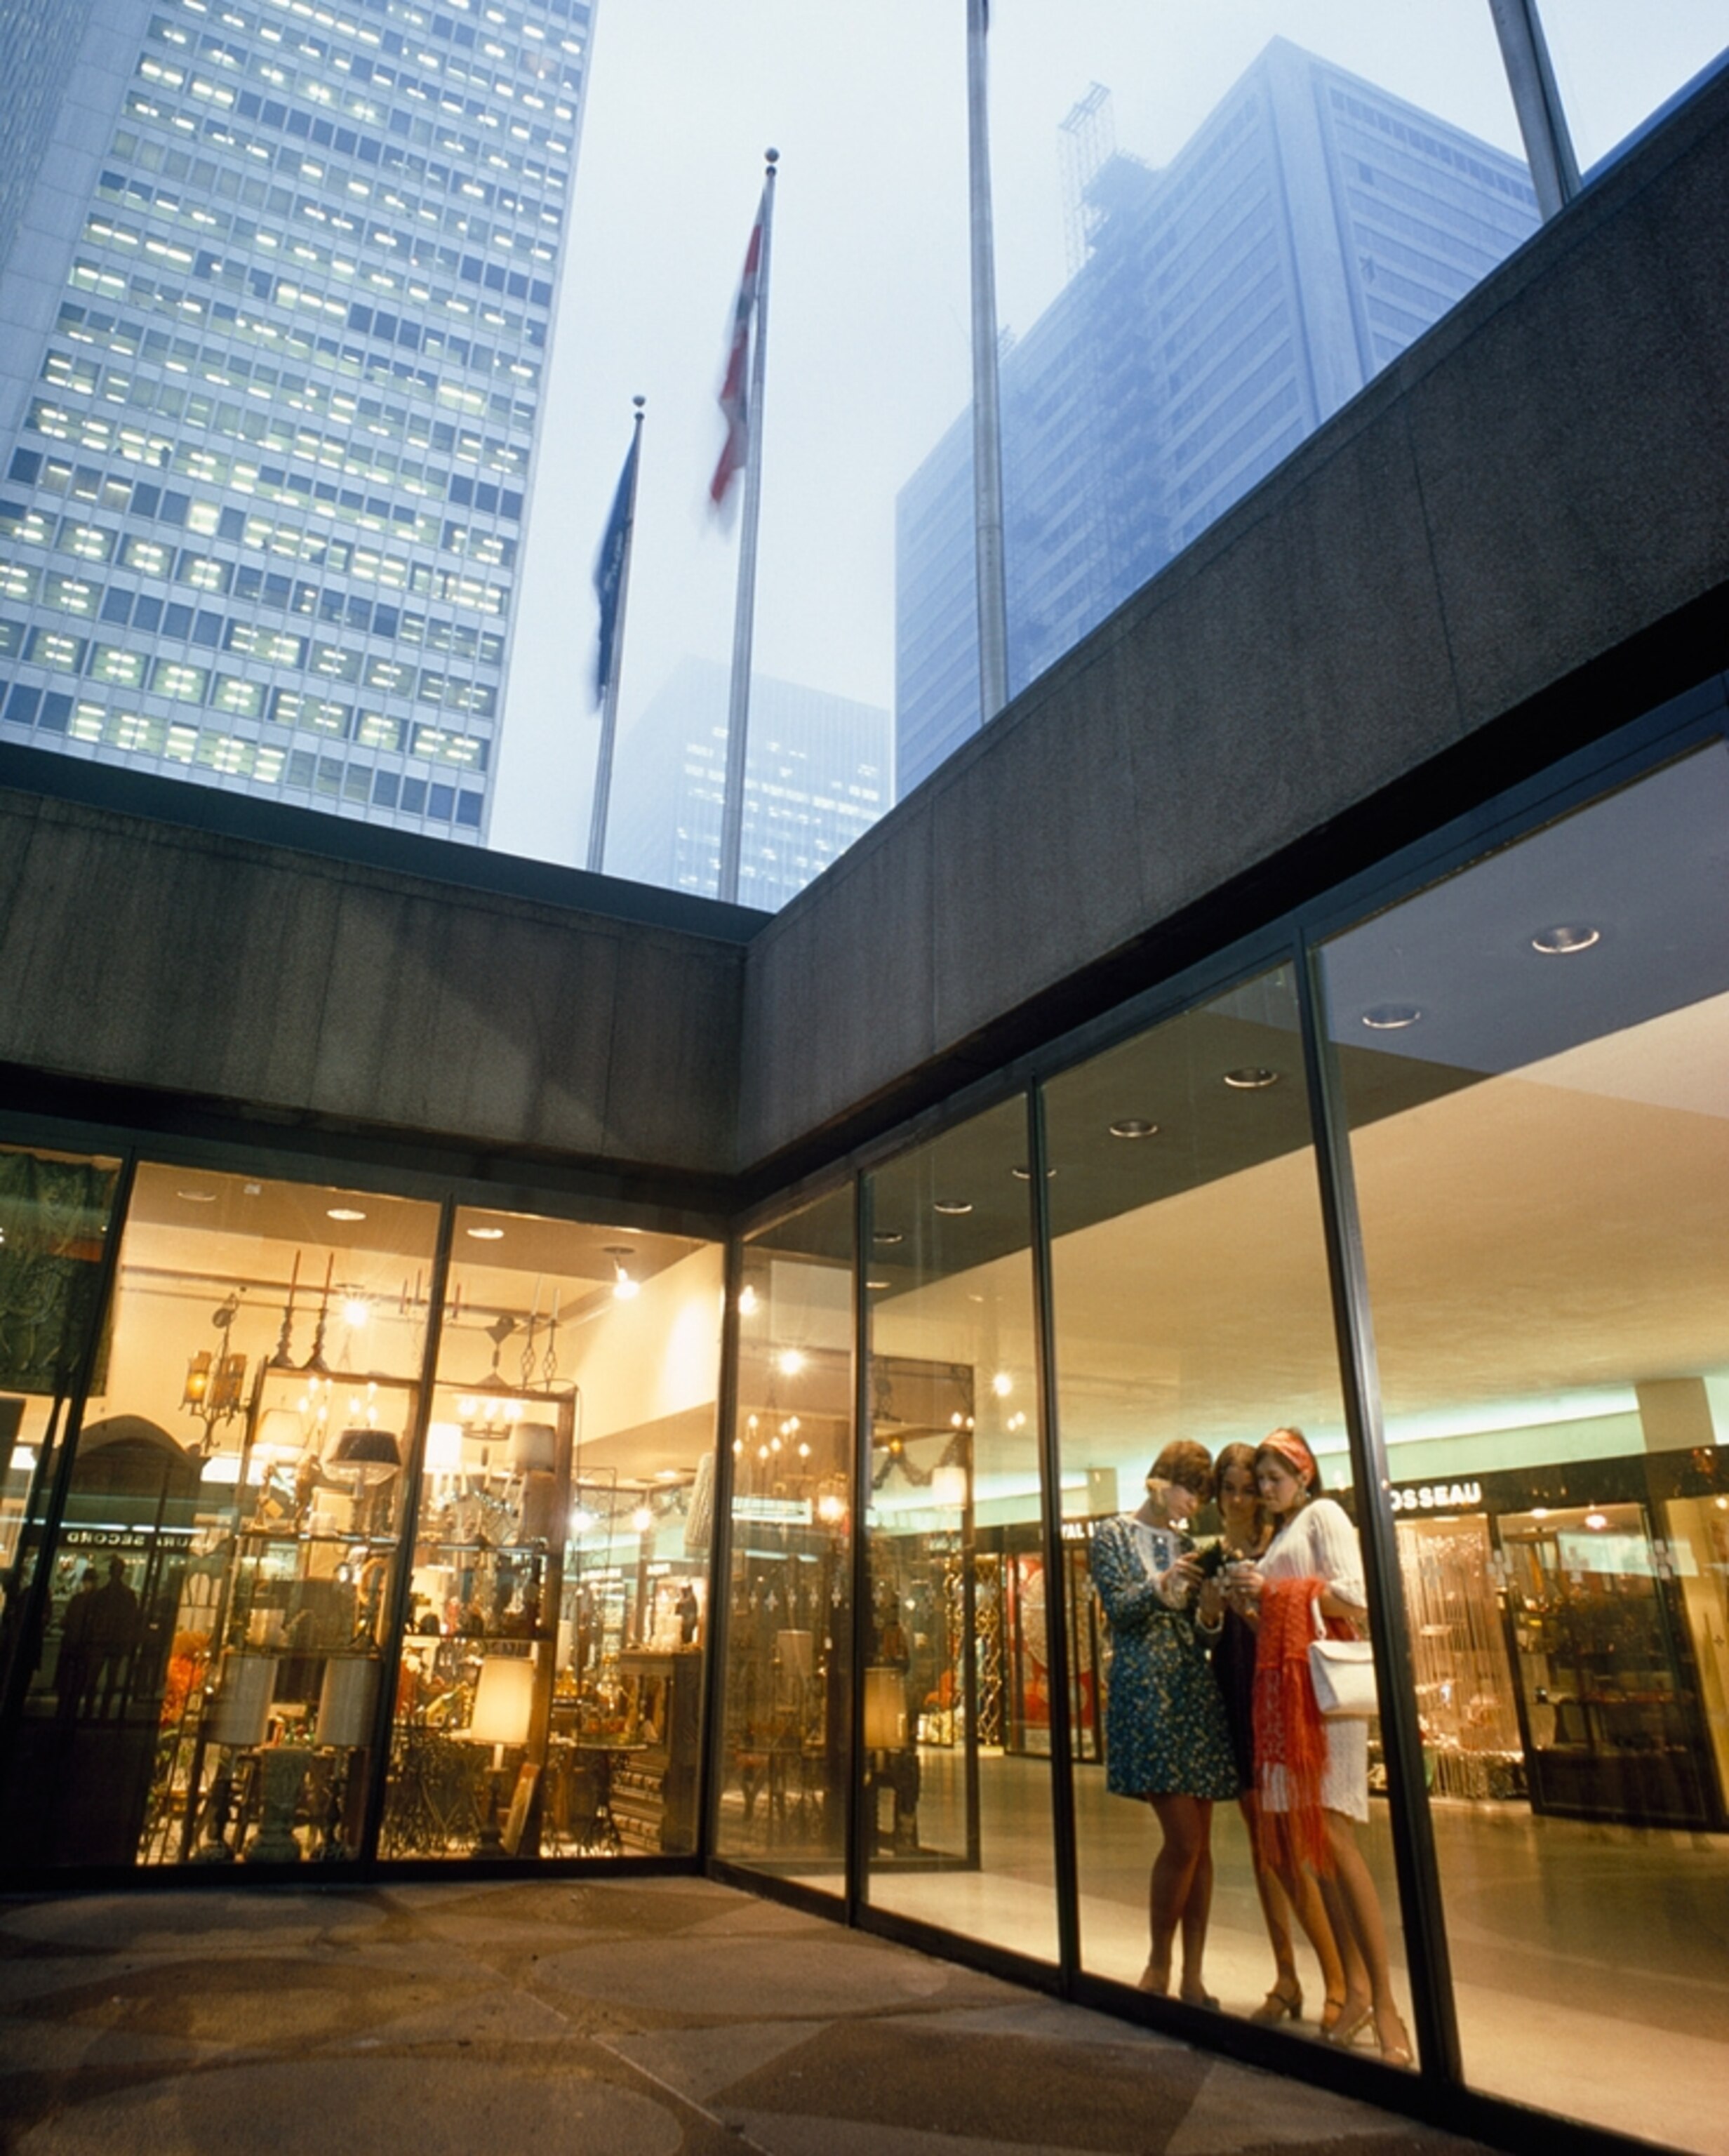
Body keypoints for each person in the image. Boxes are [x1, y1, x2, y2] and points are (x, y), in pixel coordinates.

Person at [1230, 1428, 1412, 2066]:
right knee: (1314, 1850)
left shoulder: (1324, 1516)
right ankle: (1357, 1987)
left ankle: (1387, 2001)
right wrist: (1253, 1604)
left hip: (1322, 1700)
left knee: (1334, 1837)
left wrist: (1274, 1594)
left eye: (1277, 1477)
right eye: (1262, 1482)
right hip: (1288, 1696)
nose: (1268, 1490)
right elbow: (1290, 1620)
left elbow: (1356, 1600)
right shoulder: (1280, 1535)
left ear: (1304, 1474)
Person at [1090, 1439, 1237, 2005]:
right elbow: (1121, 1608)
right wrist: (1160, 1585)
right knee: (1182, 1836)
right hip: (1145, 1689)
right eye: (1189, 1491)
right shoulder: (1113, 1535)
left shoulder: (1187, 1545)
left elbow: (1200, 1635)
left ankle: (1192, 1974)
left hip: (1190, 1689)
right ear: (1161, 1482)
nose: (1192, 1506)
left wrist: (1210, 1614)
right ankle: (1158, 1962)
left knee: (1200, 1843)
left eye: (1200, 1497)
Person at [1211, 1442, 1350, 2029]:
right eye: (1233, 1488)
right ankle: (1287, 1974)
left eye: (1254, 1486)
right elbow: (1209, 1635)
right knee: (1263, 1845)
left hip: (1281, 1695)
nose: (1243, 1498)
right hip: (1236, 1695)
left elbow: (1319, 1605)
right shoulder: (1212, 1558)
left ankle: (1339, 1977)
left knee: (1300, 1842)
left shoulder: (1285, 1547)